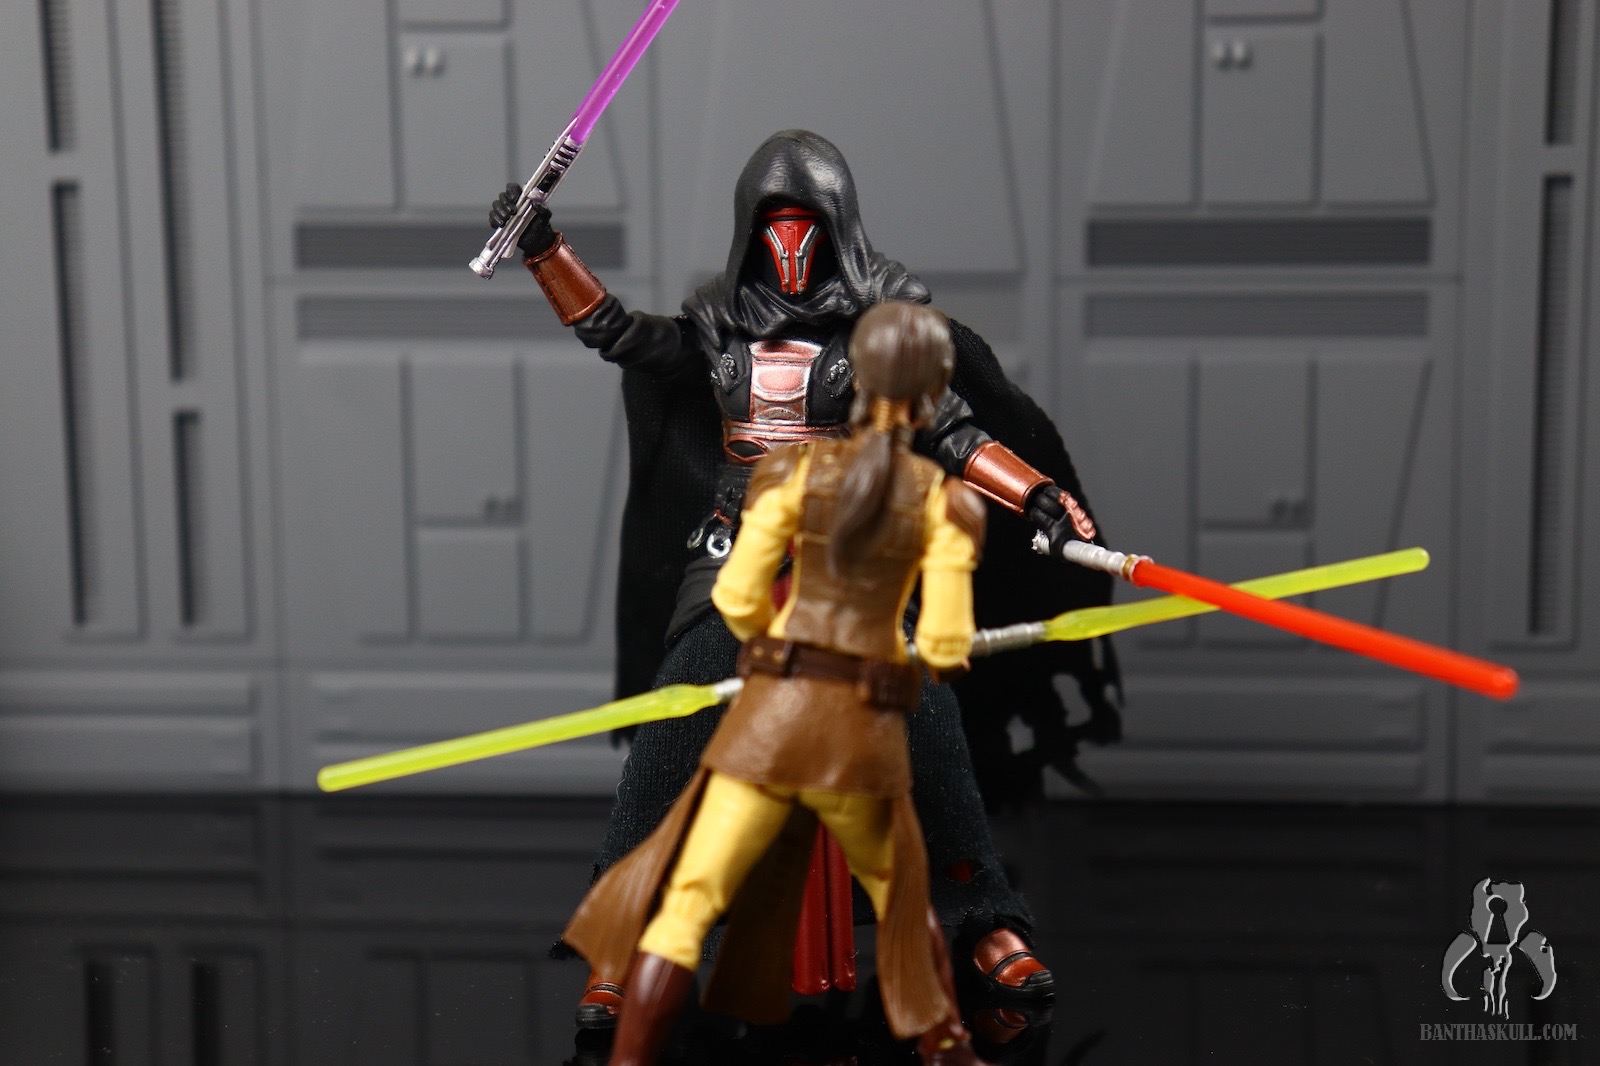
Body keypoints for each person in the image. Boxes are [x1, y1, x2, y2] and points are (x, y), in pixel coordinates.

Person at [491, 129, 1119, 1025]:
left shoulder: (878, 334)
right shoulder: (716, 327)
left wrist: (1036, 494)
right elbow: (615, 333)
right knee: (680, 710)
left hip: (850, 557)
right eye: (774, 231)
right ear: (751, 234)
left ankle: (985, 921)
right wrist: (543, 249)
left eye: (806, 231)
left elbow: (953, 431)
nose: (789, 253)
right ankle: (622, 940)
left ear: (836, 230)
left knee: (925, 712)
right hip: (737, 548)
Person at [564, 302, 997, 1065]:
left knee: (686, 909)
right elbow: (943, 644)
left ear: (855, 381)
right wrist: (922, 653)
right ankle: (948, 1050)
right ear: (934, 394)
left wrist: (774, 654)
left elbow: (736, 598)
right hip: (858, 743)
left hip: (766, 729)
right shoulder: (946, 503)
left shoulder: (789, 473)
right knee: (904, 908)